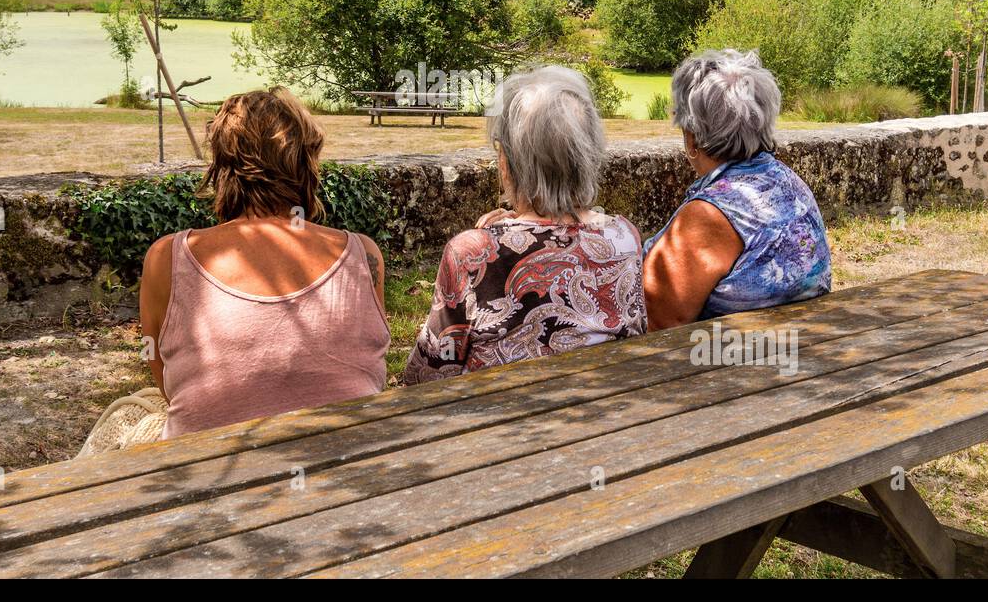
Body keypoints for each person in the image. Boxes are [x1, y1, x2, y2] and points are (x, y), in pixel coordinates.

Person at [139, 87, 389, 437]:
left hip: (205, 477)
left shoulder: (166, 258)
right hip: (349, 467)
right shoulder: (363, 256)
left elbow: (170, 385)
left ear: (221, 167)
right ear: (306, 164)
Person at [403, 66, 645, 383]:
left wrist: (492, 237)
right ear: (589, 156)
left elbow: (428, 374)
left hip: (502, 425)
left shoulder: (472, 254)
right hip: (608, 414)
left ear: (506, 161)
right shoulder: (623, 236)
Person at [642, 49, 831, 330]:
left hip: (729, 361)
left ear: (692, 140)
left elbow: (656, 317)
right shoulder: (786, 180)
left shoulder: (710, 214)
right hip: (800, 345)